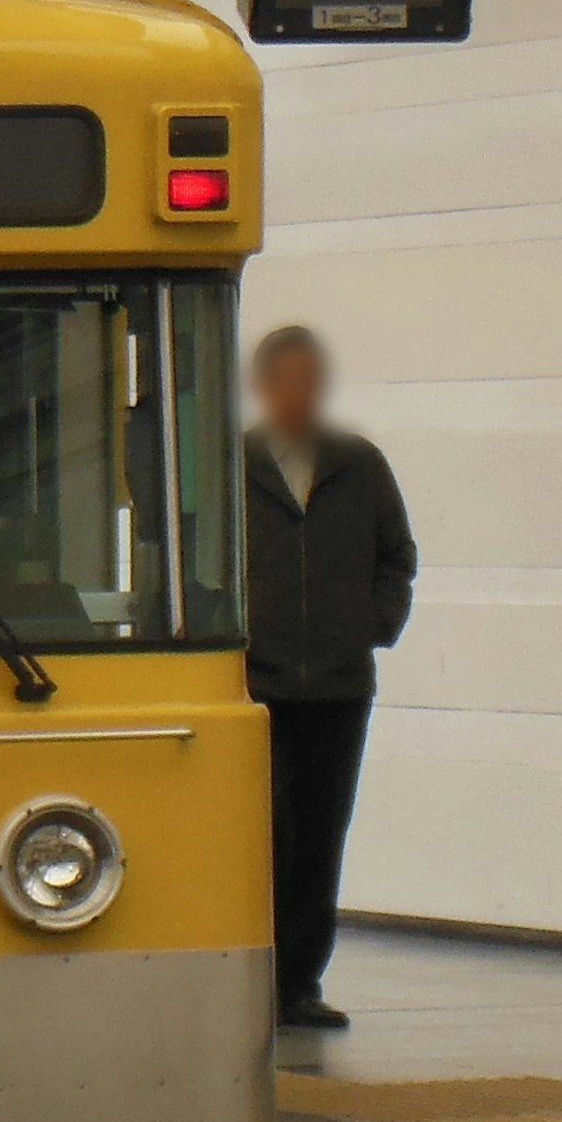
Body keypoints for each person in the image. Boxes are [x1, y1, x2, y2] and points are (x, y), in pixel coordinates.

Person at [245, 327, 418, 1032]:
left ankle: (301, 983)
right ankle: (254, 976)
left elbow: (397, 554)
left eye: (313, 379)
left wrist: (372, 622)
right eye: (289, 379)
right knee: (266, 835)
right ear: (263, 386)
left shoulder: (359, 464)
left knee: (321, 834)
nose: (302, 393)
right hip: (260, 685)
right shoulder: (235, 465)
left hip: (341, 686)